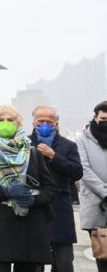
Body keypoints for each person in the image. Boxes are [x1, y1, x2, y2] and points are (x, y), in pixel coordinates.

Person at [0, 105, 57, 271]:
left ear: (18, 123)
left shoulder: (33, 153)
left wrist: (33, 199)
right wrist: (5, 192)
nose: (6, 123)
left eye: (10, 120)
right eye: (1, 120)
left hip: (29, 229)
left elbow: (51, 189)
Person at [28, 105, 82, 271]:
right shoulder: (25, 143)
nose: (44, 124)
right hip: (33, 207)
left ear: (56, 123)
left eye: (49, 121)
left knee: (63, 261)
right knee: (32, 261)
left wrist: (54, 156)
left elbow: (77, 172)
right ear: (34, 122)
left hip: (60, 208)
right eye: (40, 121)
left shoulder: (68, 146)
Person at [77, 101, 107, 272]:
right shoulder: (82, 139)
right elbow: (83, 169)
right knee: (102, 253)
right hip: (97, 205)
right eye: (103, 118)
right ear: (95, 118)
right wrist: (105, 191)